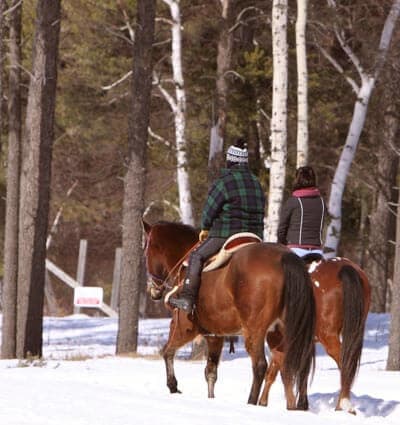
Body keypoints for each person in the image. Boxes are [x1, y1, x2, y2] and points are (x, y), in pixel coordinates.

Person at [169, 138, 266, 313]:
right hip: (255, 236)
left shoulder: (224, 182)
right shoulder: (256, 182)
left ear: (231, 161)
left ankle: (188, 299)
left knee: (196, 256)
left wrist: (205, 227)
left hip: (226, 234)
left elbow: (209, 211)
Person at [277, 166, 325, 258]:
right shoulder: (321, 202)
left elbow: (282, 229)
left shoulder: (293, 201)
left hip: (295, 249)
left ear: (297, 180)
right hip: (317, 250)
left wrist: (282, 244)